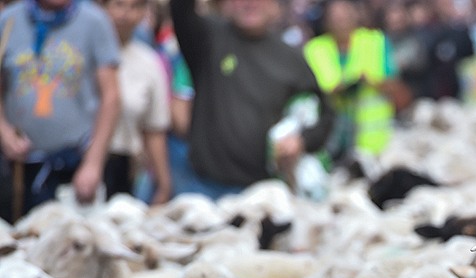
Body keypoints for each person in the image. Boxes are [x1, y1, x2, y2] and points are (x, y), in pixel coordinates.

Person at [170, 0, 333, 197]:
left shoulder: (291, 58)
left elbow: (325, 115)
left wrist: (301, 141)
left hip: (262, 192)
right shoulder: (207, 37)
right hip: (203, 187)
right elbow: (180, 8)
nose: (249, 3)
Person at [0, 0, 120, 221]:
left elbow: (110, 97)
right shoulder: (8, 21)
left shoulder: (95, 21)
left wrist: (93, 162)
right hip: (20, 167)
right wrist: (5, 133)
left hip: (74, 164)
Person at [304, 0, 403, 161]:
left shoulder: (375, 41)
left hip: (373, 145)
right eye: (335, 18)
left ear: (355, 15)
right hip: (330, 142)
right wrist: (339, 88)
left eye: (344, 16)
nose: (341, 22)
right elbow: (307, 93)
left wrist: (371, 81)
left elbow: (396, 88)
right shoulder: (314, 49)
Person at [102, 0, 172, 204]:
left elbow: (154, 128)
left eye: (134, 7)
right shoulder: (80, 55)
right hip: (74, 165)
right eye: (119, 5)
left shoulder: (149, 63)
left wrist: (163, 183)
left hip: (124, 166)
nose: (125, 14)